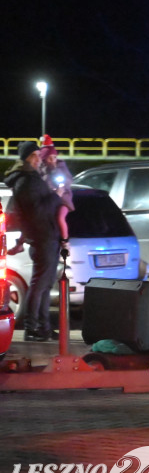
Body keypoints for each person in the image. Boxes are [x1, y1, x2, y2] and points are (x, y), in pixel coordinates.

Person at [3, 141, 65, 341]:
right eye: (35, 156)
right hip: (42, 237)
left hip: (48, 236)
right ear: (27, 158)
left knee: (45, 285)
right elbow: (36, 212)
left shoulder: (31, 178)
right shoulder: (25, 182)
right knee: (39, 285)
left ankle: (44, 328)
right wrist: (56, 196)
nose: (40, 159)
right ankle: (32, 328)